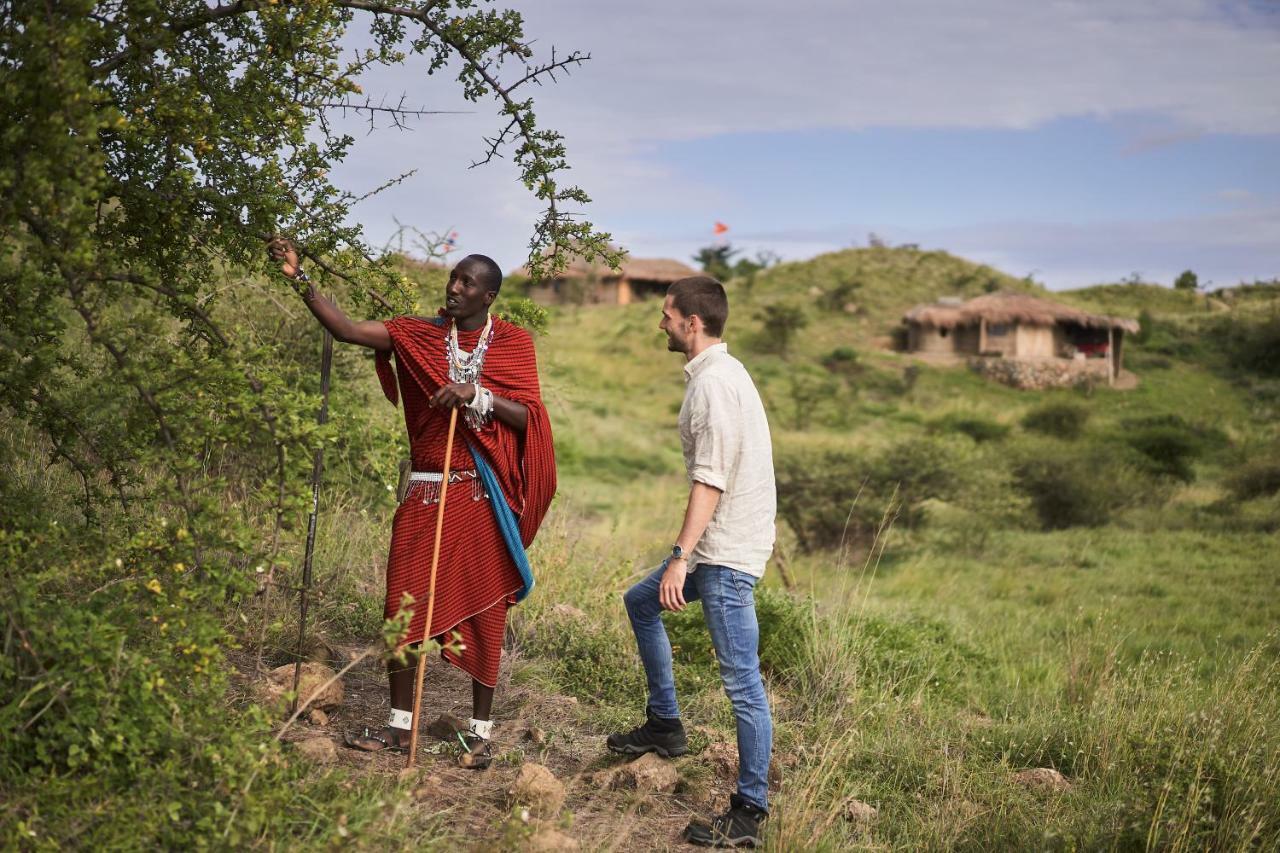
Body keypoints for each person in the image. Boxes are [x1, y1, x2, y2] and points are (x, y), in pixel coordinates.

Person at [268, 238, 555, 768]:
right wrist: (299, 279)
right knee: (403, 603)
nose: (454, 287)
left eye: (468, 283)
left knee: (486, 604)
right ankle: (401, 729)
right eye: (453, 277)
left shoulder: (514, 344)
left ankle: (480, 732)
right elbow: (349, 330)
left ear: (488, 295)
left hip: (477, 493)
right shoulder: (418, 334)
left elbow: (532, 419)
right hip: (425, 489)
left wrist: (477, 395)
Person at [607, 276, 776, 848]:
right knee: (640, 602)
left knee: (743, 684)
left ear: (692, 323)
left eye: (666, 316)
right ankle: (665, 725)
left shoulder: (713, 386)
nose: (661, 324)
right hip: (720, 546)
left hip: (723, 555)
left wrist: (681, 557)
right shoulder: (724, 372)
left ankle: (749, 813)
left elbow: (711, 480)